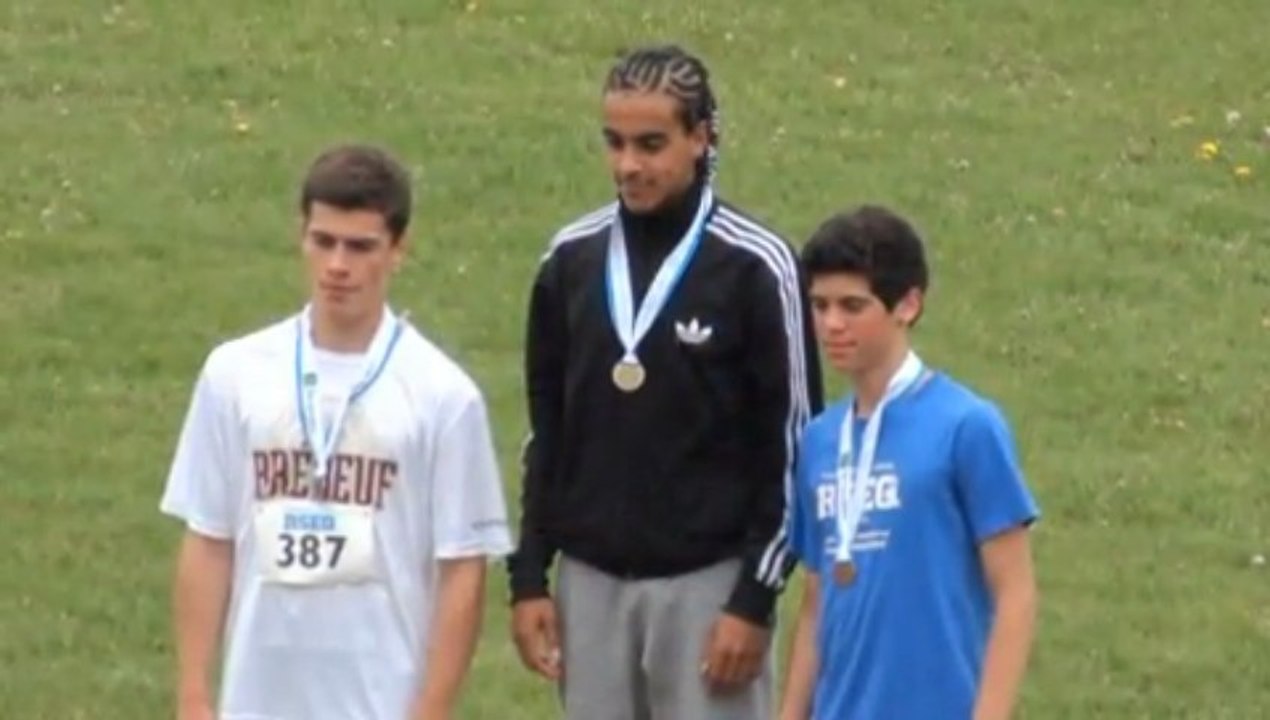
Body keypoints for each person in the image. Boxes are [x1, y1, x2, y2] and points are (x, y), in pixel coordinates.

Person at [507, 44, 823, 720]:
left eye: (650, 144)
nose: (629, 164)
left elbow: (793, 448)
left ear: (700, 138)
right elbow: (548, 434)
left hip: (707, 589)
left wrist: (754, 597)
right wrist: (529, 576)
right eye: (615, 143)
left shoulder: (756, 266)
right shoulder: (570, 261)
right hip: (590, 586)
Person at [160, 144, 512, 720]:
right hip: (256, 699)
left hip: (381, 698)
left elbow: (462, 570)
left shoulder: (444, 397)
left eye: (360, 246)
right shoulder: (235, 374)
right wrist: (194, 693)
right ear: (301, 237)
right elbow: (208, 538)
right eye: (323, 241)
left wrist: (431, 710)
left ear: (398, 249)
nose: (337, 266)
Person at [777, 205, 1041, 720]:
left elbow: (1015, 592)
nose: (831, 324)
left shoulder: (966, 426)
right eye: (820, 305)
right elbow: (817, 598)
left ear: (908, 305)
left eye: (853, 306)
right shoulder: (820, 441)